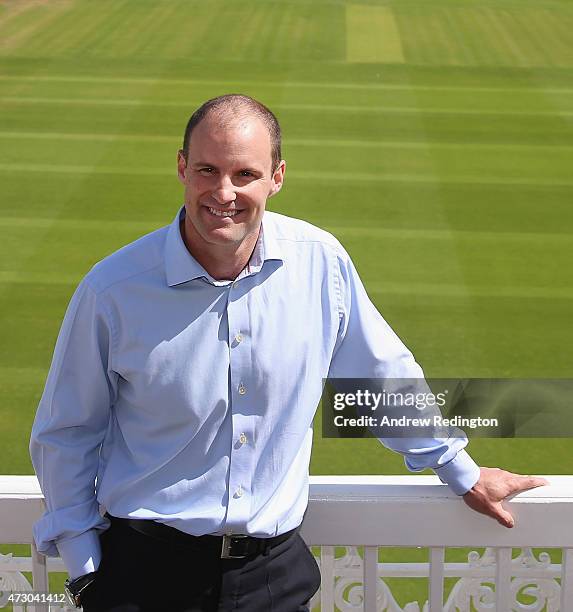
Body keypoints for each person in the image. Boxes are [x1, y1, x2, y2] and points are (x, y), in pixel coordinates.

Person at [29, 94, 547, 612]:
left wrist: (459, 468)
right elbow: (67, 431)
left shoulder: (320, 264)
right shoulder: (113, 289)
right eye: (207, 169)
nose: (223, 192)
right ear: (182, 168)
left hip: (273, 580)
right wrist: (86, 573)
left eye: (244, 174)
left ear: (276, 177)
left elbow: (380, 381)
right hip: (145, 578)